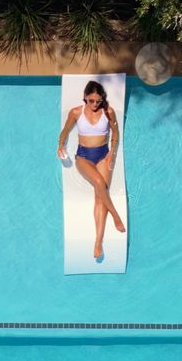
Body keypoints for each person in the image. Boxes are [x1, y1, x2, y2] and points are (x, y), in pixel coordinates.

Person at [57, 80, 126, 259]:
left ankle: (98, 242)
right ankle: (115, 214)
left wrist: (112, 151)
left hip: (103, 155)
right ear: (85, 98)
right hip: (84, 157)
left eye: (98, 101)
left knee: (100, 195)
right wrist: (60, 145)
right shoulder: (76, 112)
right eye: (91, 101)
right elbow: (65, 131)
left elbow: (116, 132)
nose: (95, 104)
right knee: (98, 182)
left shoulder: (108, 112)